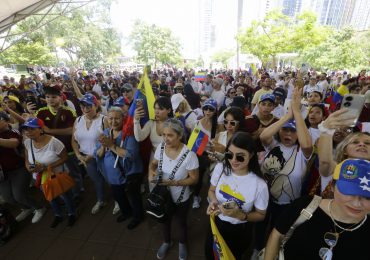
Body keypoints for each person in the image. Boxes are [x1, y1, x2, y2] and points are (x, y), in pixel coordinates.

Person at [264, 158, 370, 260]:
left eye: (368, 197)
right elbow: (277, 235)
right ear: (332, 186)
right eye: (349, 192)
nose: (356, 203)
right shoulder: (305, 205)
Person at [205, 132, 269, 260]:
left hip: (240, 231)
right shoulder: (220, 168)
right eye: (229, 154)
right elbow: (211, 191)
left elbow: (261, 215)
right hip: (216, 224)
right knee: (211, 255)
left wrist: (241, 215)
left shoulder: (259, 185)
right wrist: (213, 202)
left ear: (251, 155)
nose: (233, 160)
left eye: (240, 157)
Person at [148, 118, 199, 260]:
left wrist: (174, 183)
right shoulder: (161, 148)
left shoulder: (189, 155)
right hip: (163, 197)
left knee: (181, 222)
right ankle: (167, 242)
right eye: (164, 135)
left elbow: (194, 179)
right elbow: (153, 164)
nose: (165, 139)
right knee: (163, 221)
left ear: (180, 135)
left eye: (170, 135)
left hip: (181, 198)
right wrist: (151, 174)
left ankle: (182, 243)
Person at [22, 118, 77, 228]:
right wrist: (28, 166)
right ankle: (58, 214)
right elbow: (27, 159)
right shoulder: (27, 143)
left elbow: (65, 157)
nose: (28, 132)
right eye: (26, 129)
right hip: (40, 177)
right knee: (50, 197)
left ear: (41, 129)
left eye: (32, 129)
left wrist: (46, 167)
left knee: (65, 195)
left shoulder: (54, 142)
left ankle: (72, 213)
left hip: (56, 175)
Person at [96, 107, 143, 229]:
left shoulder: (129, 134)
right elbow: (99, 154)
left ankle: (137, 217)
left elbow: (131, 155)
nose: (113, 121)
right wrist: (102, 146)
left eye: (117, 118)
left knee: (134, 196)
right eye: (110, 118)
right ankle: (126, 213)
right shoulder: (106, 133)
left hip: (130, 172)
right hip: (113, 175)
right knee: (118, 196)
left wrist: (111, 145)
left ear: (123, 118)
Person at [0, 112, 46, 224]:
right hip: (2, 173)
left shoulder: (13, 132)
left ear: (6, 121)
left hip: (18, 168)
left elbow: (14, 143)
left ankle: (39, 207)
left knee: (19, 195)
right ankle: (27, 208)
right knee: (8, 198)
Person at [72, 94, 108, 215]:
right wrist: (78, 155)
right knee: (96, 180)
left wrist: (93, 155)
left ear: (96, 105)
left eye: (89, 106)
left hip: (103, 156)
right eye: (83, 106)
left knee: (110, 178)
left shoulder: (104, 120)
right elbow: (74, 140)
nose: (85, 109)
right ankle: (101, 200)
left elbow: (108, 141)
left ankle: (119, 199)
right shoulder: (78, 120)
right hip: (86, 158)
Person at [192, 98, 218, 209]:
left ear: (215, 111)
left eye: (211, 109)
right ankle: (196, 196)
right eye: (205, 108)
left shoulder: (218, 126)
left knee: (214, 178)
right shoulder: (197, 123)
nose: (208, 111)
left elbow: (219, 143)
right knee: (199, 176)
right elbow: (193, 142)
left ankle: (211, 197)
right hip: (201, 154)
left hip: (214, 155)